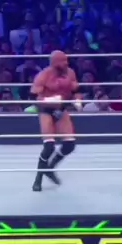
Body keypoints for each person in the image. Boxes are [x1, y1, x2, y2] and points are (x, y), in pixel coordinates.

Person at [30, 50, 82, 192]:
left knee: (69, 144)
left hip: (61, 109)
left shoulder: (70, 73)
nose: (66, 63)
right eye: (63, 61)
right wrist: (49, 101)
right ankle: (38, 179)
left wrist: (77, 100)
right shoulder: (43, 75)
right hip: (46, 111)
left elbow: (76, 90)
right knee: (49, 147)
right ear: (55, 63)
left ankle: (50, 168)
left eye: (66, 60)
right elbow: (33, 97)